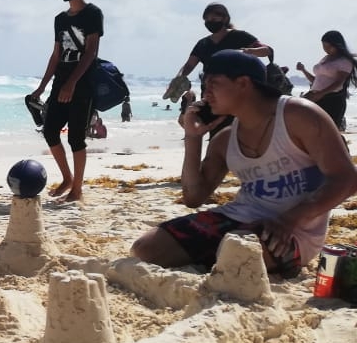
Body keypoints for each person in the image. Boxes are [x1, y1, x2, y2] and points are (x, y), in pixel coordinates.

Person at [131, 50, 357, 277]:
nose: (206, 92)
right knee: (145, 249)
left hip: (293, 230)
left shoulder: (298, 116)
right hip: (237, 218)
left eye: (213, 83)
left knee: (238, 258)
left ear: (243, 83)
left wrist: (290, 219)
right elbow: (193, 197)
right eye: (204, 83)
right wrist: (193, 137)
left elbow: (347, 179)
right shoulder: (225, 139)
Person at [27, 0, 102, 201]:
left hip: (83, 83)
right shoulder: (59, 19)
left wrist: (72, 84)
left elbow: (91, 52)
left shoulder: (92, 13)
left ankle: (77, 189)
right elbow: (56, 55)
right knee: (50, 131)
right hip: (61, 82)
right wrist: (42, 88)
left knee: (76, 138)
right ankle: (67, 178)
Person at [162, 3, 271, 103]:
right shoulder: (203, 44)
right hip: (210, 94)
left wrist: (249, 51)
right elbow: (189, 65)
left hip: (236, 93)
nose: (210, 22)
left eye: (214, 18)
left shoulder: (239, 36)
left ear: (225, 19)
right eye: (207, 20)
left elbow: (267, 50)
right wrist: (177, 79)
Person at [297, 30, 357, 131]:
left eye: (328, 46)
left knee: (325, 132)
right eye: (323, 46)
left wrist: (320, 94)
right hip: (316, 97)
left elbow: (338, 83)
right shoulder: (326, 58)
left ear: (336, 45)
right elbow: (316, 81)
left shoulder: (344, 61)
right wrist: (303, 70)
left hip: (331, 100)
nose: (325, 49)